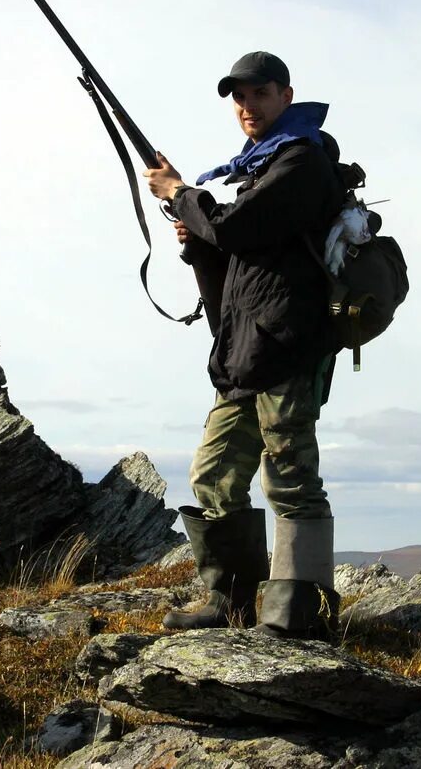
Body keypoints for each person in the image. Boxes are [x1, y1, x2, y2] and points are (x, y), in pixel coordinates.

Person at [143, 51, 345, 639]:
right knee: (213, 474)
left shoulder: (303, 159)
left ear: (285, 96)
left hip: (288, 345)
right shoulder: (254, 168)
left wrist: (182, 193)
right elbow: (234, 248)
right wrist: (194, 228)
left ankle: (297, 613)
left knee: (289, 475)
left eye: (258, 94)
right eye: (238, 97)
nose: (246, 106)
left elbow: (238, 228)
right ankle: (229, 601)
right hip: (244, 349)